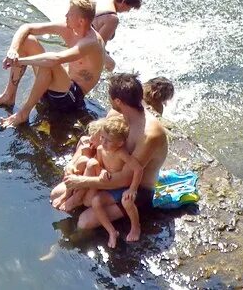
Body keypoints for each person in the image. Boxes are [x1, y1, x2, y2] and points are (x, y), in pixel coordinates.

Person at [59, 72, 168, 243]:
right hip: (107, 174)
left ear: (118, 101)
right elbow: (91, 141)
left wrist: (82, 182)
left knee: (85, 221)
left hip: (135, 189)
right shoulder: (115, 115)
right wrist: (73, 163)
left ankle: (66, 244)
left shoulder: (150, 134)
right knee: (56, 194)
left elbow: (126, 178)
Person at [0, 0, 105, 130]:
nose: (66, 15)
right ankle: (8, 96)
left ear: (81, 21)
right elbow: (27, 27)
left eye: (70, 13)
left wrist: (19, 61)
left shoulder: (91, 42)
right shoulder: (68, 27)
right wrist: (13, 51)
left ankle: (23, 114)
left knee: (49, 61)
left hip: (69, 98)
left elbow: (55, 59)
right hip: (56, 85)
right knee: (28, 40)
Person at [76, 112, 143, 248]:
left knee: (127, 201)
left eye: (108, 140)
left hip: (121, 188)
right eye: (102, 138)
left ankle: (136, 226)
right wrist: (103, 172)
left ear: (120, 143)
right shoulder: (101, 149)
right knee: (95, 201)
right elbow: (100, 165)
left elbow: (138, 169)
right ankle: (112, 231)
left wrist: (133, 189)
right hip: (109, 186)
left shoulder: (121, 153)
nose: (104, 143)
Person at [93, 0, 143, 72]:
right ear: (123, 1)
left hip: (74, 28)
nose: (128, 11)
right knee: (111, 65)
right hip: (81, 41)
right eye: (130, 7)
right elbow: (97, 47)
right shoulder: (112, 18)